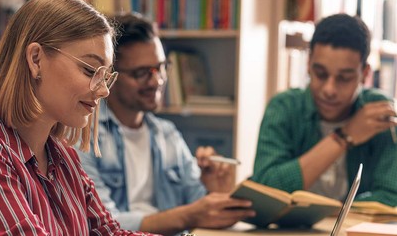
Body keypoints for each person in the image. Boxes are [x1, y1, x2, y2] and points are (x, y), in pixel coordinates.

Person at [0, 0, 157, 235]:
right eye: (91, 70)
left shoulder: (64, 157)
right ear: (36, 59)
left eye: (106, 76)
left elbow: (110, 232)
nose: (104, 90)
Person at [77, 12, 256, 236]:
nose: (157, 81)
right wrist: (188, 216)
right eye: (142, 73)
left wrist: (214, 188)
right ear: (110, 76)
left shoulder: (167, 134)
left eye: (161, 67)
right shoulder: (84, 136)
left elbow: (201, 209)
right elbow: (102, 224)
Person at [251, 13, 397, 206]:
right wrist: (344, 136)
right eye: (320, 74)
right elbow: (264, 191)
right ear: (308, 64)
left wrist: (332, 214)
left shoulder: (378, 112)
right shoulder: (284, 107)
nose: (329, 89)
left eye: (344, 78)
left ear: (365, 74)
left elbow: (391, 197)